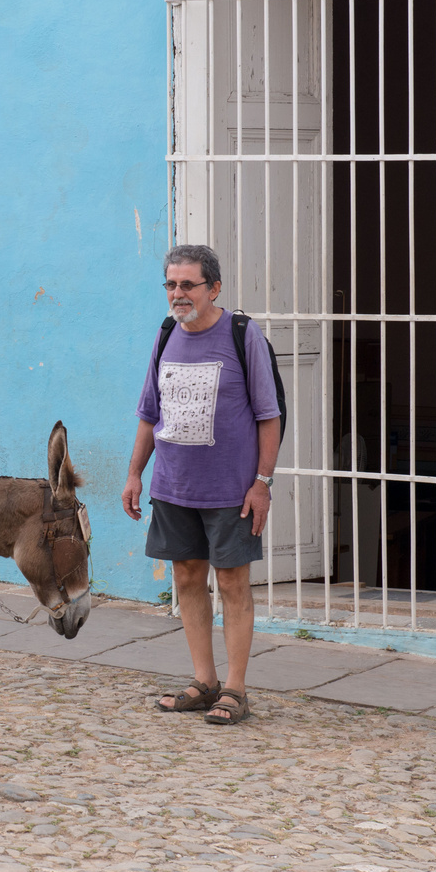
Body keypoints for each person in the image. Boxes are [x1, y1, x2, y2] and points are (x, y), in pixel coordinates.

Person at [121, 244, 280, 725]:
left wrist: (262, 484)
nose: (178, 293)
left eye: (188, 284)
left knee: (232, 583)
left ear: (213, 288)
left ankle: (235, 688)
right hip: (173, 486)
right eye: (171, 284)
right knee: (187, 578)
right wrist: (134, 473)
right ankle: (204, 681)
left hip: (231, 490)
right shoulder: (167, 333)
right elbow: (150, 412)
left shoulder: (241, 334)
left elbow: (268, 416)